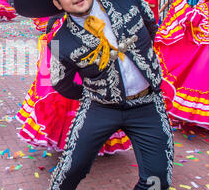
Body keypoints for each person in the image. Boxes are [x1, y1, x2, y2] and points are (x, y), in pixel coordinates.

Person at [14, 0, 173, 190]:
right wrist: (95, 92)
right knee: (71, 169)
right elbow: (61, 83)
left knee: (158, 178)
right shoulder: (60, 40)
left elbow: (151, 28)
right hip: (100, 107)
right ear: (57, 3)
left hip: (148, 104)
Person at [17, 15, 132, 154]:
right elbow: (52, 53)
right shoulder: (60, 26)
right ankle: (72, 140)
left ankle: (93, 141)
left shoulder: (97, 19)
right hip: (71, 77)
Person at [154, 0, 209, 133]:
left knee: (204, 82)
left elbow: (191, 20)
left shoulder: (207, 6)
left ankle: (204, 120)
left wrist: (180, 7)